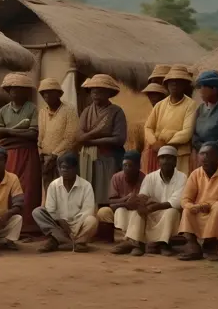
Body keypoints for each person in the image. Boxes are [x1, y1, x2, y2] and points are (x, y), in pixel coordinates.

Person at [111, 146, 186, 257]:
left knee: (173, 212)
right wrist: (141, 205)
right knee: (138, 210)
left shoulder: (182, 177)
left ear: (175, 162)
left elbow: (176, 201)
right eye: (163, 158)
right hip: (152, 212)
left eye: (169, 158)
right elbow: (143, 195)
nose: (166, 161)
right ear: (158, 162)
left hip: (166, 212)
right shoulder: (151, 177)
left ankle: (162, 244)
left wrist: (153, 207)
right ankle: (136, 243)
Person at [0, 72, 41, 233]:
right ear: (8, 91)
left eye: (20, 89)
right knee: (9, 188)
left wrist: (8, 133)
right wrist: (20, 132)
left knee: (29, 188)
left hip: (28, 153)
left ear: (26, 91)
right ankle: (10, 226)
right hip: (8, 156)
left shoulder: (33, 109)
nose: (16, 92)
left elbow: (33, 134)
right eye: (13, 89)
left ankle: (28, 227)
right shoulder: (2, 111)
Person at [178, 142, 218, 261]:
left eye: (209, 154)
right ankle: (193, 246)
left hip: (215, 211)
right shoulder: (195, 174)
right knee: (187, 210)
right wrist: (192, 206)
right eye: (202, 154)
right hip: (199, 210)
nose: (204, 158)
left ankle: (211, 247)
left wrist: (208, 205)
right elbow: (185, 199)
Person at [76, 74, 127, 206]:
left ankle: (106, 219)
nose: (96, 94)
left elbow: (119, 139)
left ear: (108, 93)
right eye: (93, 91)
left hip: (108, 158)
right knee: (88, 192)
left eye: (100, 91)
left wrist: (92, 141)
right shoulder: (87, 111)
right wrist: (96, 132)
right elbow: (79, 137)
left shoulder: (116, 111)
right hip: (87, 157)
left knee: (106, 193)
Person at [33, 152, 97, 253]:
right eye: (61, 168)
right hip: (58, 225)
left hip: (78, 224)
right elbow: (50, 209)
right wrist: (61, 221)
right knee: (37, 212)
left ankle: (72, 241)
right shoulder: (53, 185)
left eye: (67, 168)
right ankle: (66, 241)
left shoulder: (86, 186)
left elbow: (88, 210)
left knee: (92, 221)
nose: (64, 170)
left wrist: (74, 226)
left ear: (75, 169)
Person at [144, 65, 197, 175]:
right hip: (158, 152)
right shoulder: (160, 105)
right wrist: (154, 142)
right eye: (171, 81)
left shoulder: (191, 105)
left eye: (178, 82)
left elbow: (187, 132)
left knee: (178, 185)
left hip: (179, 153)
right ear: (167, 84)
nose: (174, 84)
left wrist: (166, 144)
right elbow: (148, 127)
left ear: (185, 85)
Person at [37, 77, 79, 199]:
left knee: (64, 191)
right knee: (49, 192)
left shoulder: (69, 110)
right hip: (46, 160)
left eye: (50, 92)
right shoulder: (42, 112)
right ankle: (49, 215)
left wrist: (54, 155)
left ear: (59, 93)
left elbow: (71, 137)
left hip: (63, 159)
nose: (46, 95)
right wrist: (41, 153)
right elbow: (40, 136)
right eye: (43, 93)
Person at [96, 150, 146, 242]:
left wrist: (127, 203)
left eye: (130, 166)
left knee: (138, 214)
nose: (126, 168)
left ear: (138, 166)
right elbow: (111, 202)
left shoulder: (145, 179)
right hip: (120, 209)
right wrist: (126, 199)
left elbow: (142, 202)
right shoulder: (116, 177)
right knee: (104, 212)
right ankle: (120, 239)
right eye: (124, 165)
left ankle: (131, 239)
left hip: (136, 212)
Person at [191, 71, 218, 171]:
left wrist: (211, 150)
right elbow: (194, 134)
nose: (200, 90)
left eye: (203, 87)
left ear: (214, 89)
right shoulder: (200, 109)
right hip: (200, 155)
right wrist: (202, 148)